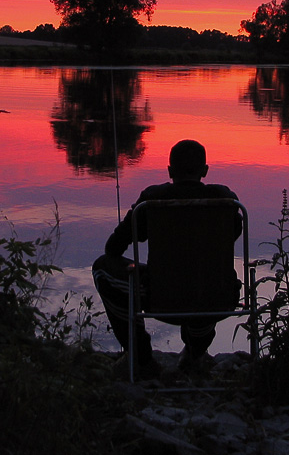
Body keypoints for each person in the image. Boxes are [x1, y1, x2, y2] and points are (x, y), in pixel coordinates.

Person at [91, 139, 242, 376]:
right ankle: (194, 356)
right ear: (205, 171)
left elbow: (113, 249)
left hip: (160, 298)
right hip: (220, 298)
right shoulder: (227, 200)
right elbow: (230, 239)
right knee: (207, 276)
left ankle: (141, 359)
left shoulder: (152, 199)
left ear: (170, 171)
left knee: (102, 268)